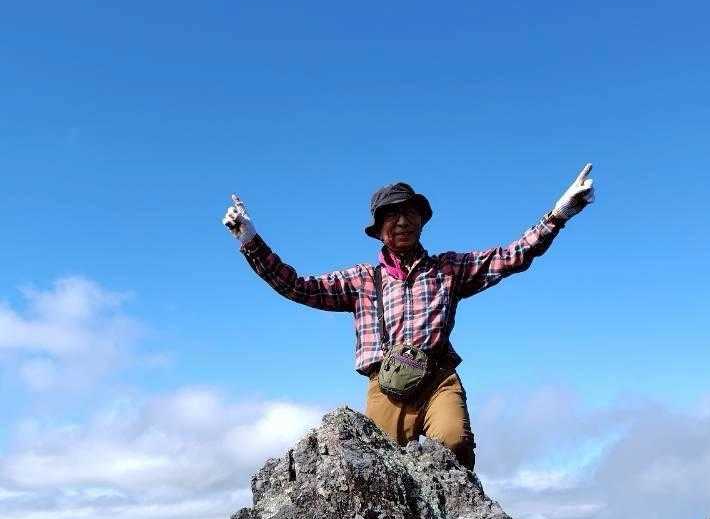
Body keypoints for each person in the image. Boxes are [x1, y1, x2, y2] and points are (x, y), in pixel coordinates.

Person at [223, 166, 595, 471]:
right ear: (378, 230)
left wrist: (559, 214)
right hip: (385, 386)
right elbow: (297, 286)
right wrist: (250, 240)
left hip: (438, 380)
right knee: (379, 472)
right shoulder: (360, 280)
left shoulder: (448, 268)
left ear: (421, 220)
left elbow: (512, 256)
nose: (402, 221)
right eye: (391, 215)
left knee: (454, 442)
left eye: (409, 213)